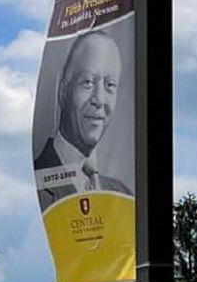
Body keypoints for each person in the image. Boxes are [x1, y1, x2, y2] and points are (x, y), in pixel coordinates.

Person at [35, 30, 133, 211]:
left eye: (110, 85)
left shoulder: (124, 196)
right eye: (88, 82)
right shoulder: (32, 184)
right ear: (64, 91)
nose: (100, 99)